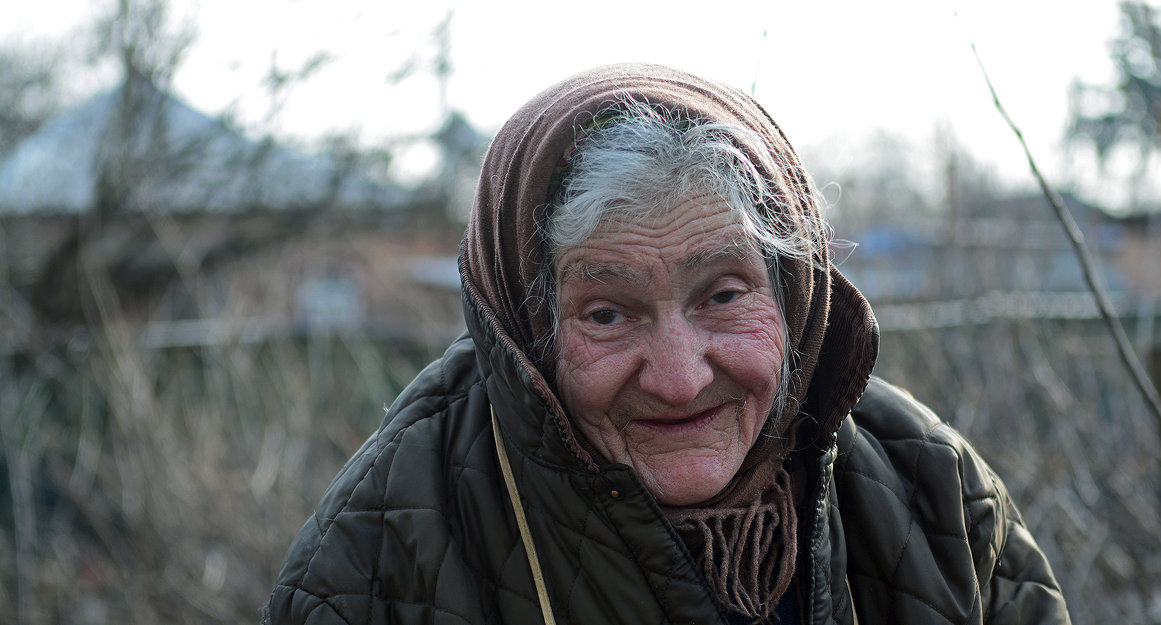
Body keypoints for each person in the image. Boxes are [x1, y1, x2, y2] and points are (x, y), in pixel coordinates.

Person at [265, 63, 1071, 625]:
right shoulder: (377, 558)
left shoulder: (936, 496)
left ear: (792, 296)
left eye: (723, 295)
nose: (682, 381)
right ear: (526, 334)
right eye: (608, 313)